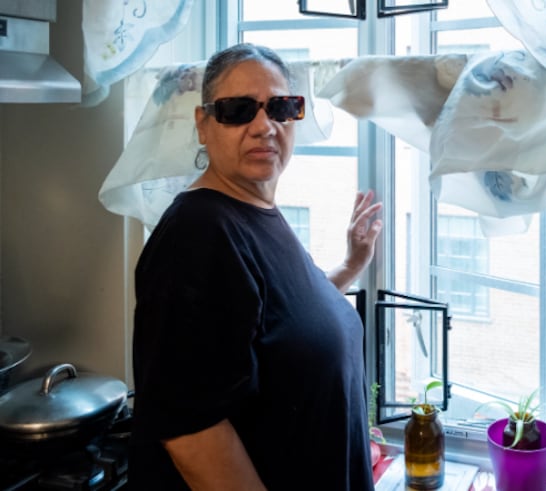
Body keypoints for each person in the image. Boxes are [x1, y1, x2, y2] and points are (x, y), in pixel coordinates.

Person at [129, 43, 382, 490]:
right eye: (238, 110)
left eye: (281, 107)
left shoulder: (254, 211)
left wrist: (349, 266)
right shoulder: (198, 233)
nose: (264, 126)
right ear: (204, 125)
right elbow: (192, 430)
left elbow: (283, 321)